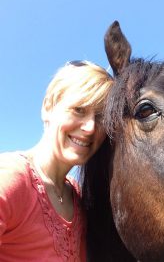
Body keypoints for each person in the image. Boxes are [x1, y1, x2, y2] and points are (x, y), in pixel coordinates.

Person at [0, 60, 113, 262]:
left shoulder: (79, 197)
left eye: (101, 117)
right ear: (48, 107)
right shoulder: (10, 175)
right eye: (79, 109)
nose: (91, 127)